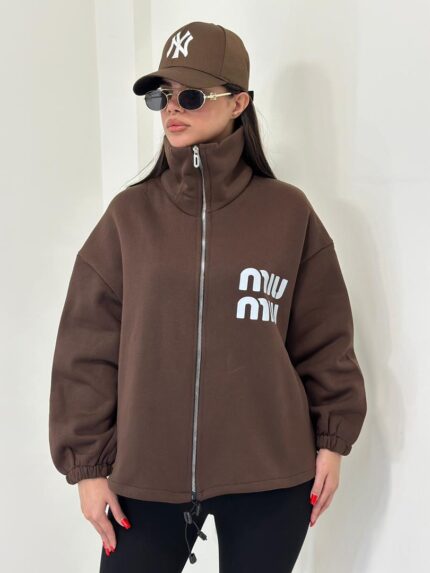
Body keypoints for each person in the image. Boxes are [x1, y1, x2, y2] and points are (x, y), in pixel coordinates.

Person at [48, 21, 367, 572]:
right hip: (148, 475)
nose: (173, 108)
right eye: (162, 95)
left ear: (239, 103)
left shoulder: (288, 212)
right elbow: (86, 348)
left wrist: (333, 441)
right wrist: (88, 469)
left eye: (191, 96)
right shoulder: (128, 217)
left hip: (271, 474)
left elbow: (325, 338)